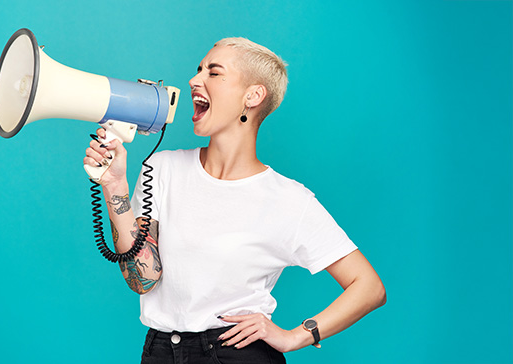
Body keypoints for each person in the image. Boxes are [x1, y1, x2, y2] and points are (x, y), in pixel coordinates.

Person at [82, 37, 386, 364]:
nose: (194, 80)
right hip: (160, 351)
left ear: (252, 96)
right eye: (199, 70)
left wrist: (296, 335)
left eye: (214, 73)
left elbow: (369, 287)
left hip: (235, 354)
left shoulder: (288, 200)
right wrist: (115, 188)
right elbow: (143, 279)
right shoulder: (162, 168)